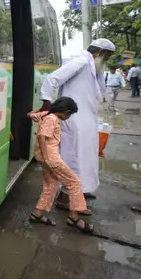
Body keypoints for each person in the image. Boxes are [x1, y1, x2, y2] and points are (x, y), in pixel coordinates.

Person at [39, 38, 115, 214]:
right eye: (107, 56)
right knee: (74, 158)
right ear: (100, 53)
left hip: (86, 120)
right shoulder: (80, 61)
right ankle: (65, 199)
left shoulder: (92, 67)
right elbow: (52, 79)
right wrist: (47, 105)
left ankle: (80, 190)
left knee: (87, 157)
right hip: (74, 121)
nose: (106, 61)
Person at [28, 97, 94, 233]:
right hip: (51, 158)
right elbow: (41, 136)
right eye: (69, 115)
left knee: (51, 185)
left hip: (43, 157)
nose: (68, 117)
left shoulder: (44, 115)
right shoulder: (52, 118)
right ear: (66, 111)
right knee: (74, 183)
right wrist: (47, 159)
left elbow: (29, 114)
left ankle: (37, 214)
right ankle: (74, 217)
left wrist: (40, 109)